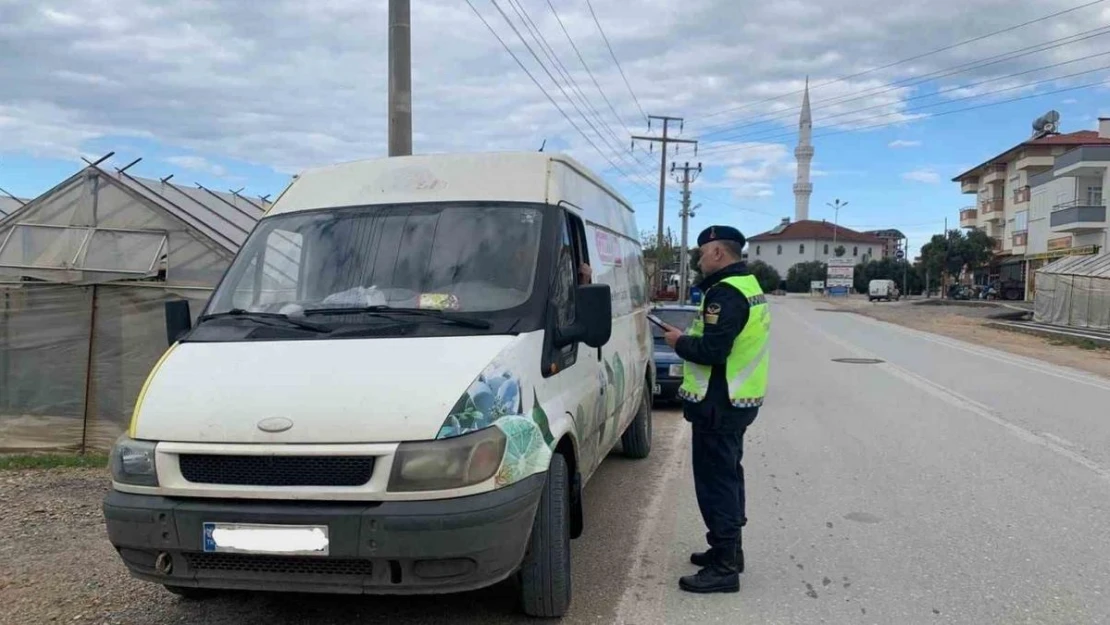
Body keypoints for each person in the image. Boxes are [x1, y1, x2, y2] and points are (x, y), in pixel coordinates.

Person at [661, 224, 770, 594]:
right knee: (729, 475)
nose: (700, 258)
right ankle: (729, 551)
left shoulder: (725, 293)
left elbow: (712, 351)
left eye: (702, 252)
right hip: (736, 401)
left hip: (718, 406)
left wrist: (678, 342)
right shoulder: (749, 286)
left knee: (716, 483)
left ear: (718, 253)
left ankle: (724, 568)